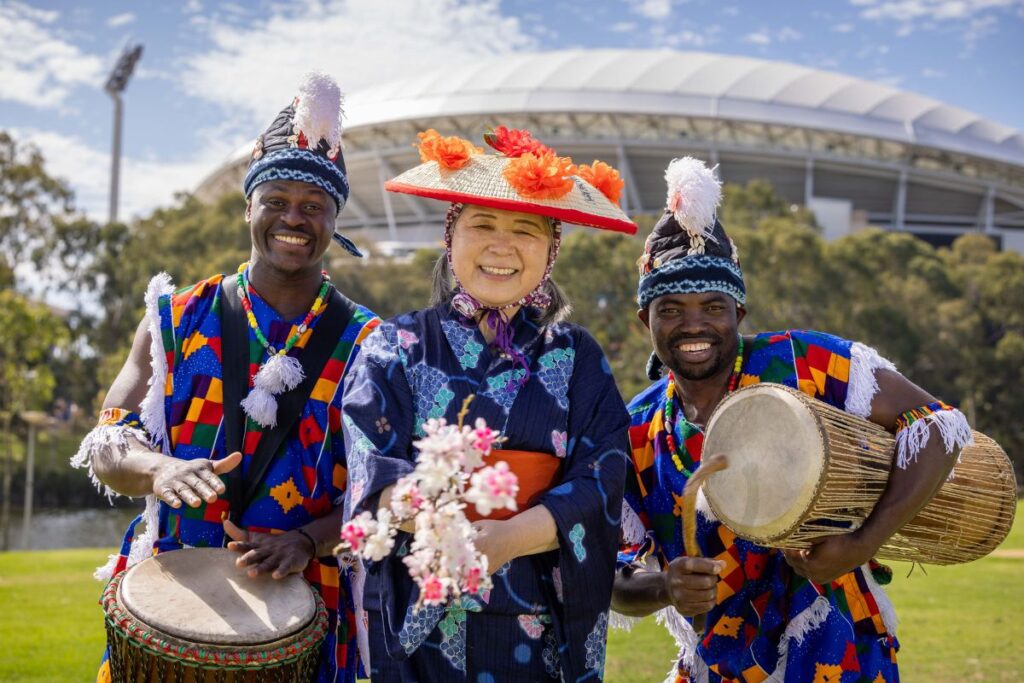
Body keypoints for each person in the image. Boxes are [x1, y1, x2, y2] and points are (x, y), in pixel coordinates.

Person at [610, 157, 974, 682]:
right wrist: (665, 587)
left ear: (740, 312)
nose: (694, 324)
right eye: (671, 309)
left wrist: (863, 543)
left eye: (713, 306)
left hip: (840, 651)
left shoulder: (801, 363)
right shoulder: (637, 429)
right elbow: (615, 577)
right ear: (645, 318)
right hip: (716, 664)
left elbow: (937, 426)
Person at [72, 72, 379, 683]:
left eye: (313, 206)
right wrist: (161, 469)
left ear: (334, 218)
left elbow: (388, 497)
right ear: (248, 209)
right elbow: (107, 444)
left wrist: (310, 539)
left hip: (311, 602)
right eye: (276, 201)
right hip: (176, 594)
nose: (294, 217)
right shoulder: (173, 320)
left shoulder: (371, 346)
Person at [341, 126, 634, 680]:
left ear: (552, 249)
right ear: (449, 238)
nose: (502, 246)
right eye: (482, 225)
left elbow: (603, 479)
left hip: (539, 616)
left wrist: (508, 539)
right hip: (421, 603)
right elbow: (372, 468)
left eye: (525, 229)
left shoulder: (577, 356)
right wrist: (443, 526)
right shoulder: (392, 348)